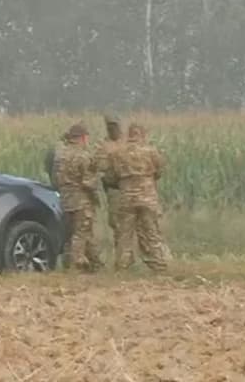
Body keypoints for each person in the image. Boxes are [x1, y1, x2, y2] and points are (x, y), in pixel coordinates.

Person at [109, 122, 171, 272]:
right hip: (147, 197)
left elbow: (112, 177)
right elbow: (159, 172)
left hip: (127, 198)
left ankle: (122, 266)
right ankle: (158, 265)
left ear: (129, 134)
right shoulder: (151, 151)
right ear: (142, 134)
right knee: (151, 232)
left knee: (125, 234)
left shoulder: (117, 153)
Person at [53, 122, 102, 272]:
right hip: (81, 199)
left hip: (65, 199)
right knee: (81, 233)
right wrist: (97, 184)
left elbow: (56, 178)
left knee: (69, 234)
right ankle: (77, 265)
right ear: (82, 138)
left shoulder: (60, 155)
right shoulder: (83, 155)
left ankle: (71, 264)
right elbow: (87, 182)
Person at [94, 114, 133, 266]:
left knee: (130, 223)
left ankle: (128, 257)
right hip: (114, 189)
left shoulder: (128, 143)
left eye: (115, 125)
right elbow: (98, 164)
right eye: (110, 126)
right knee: (116, 223)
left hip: (130, 188)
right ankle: (122, 258)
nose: (113, 129)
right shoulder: (102, 145)